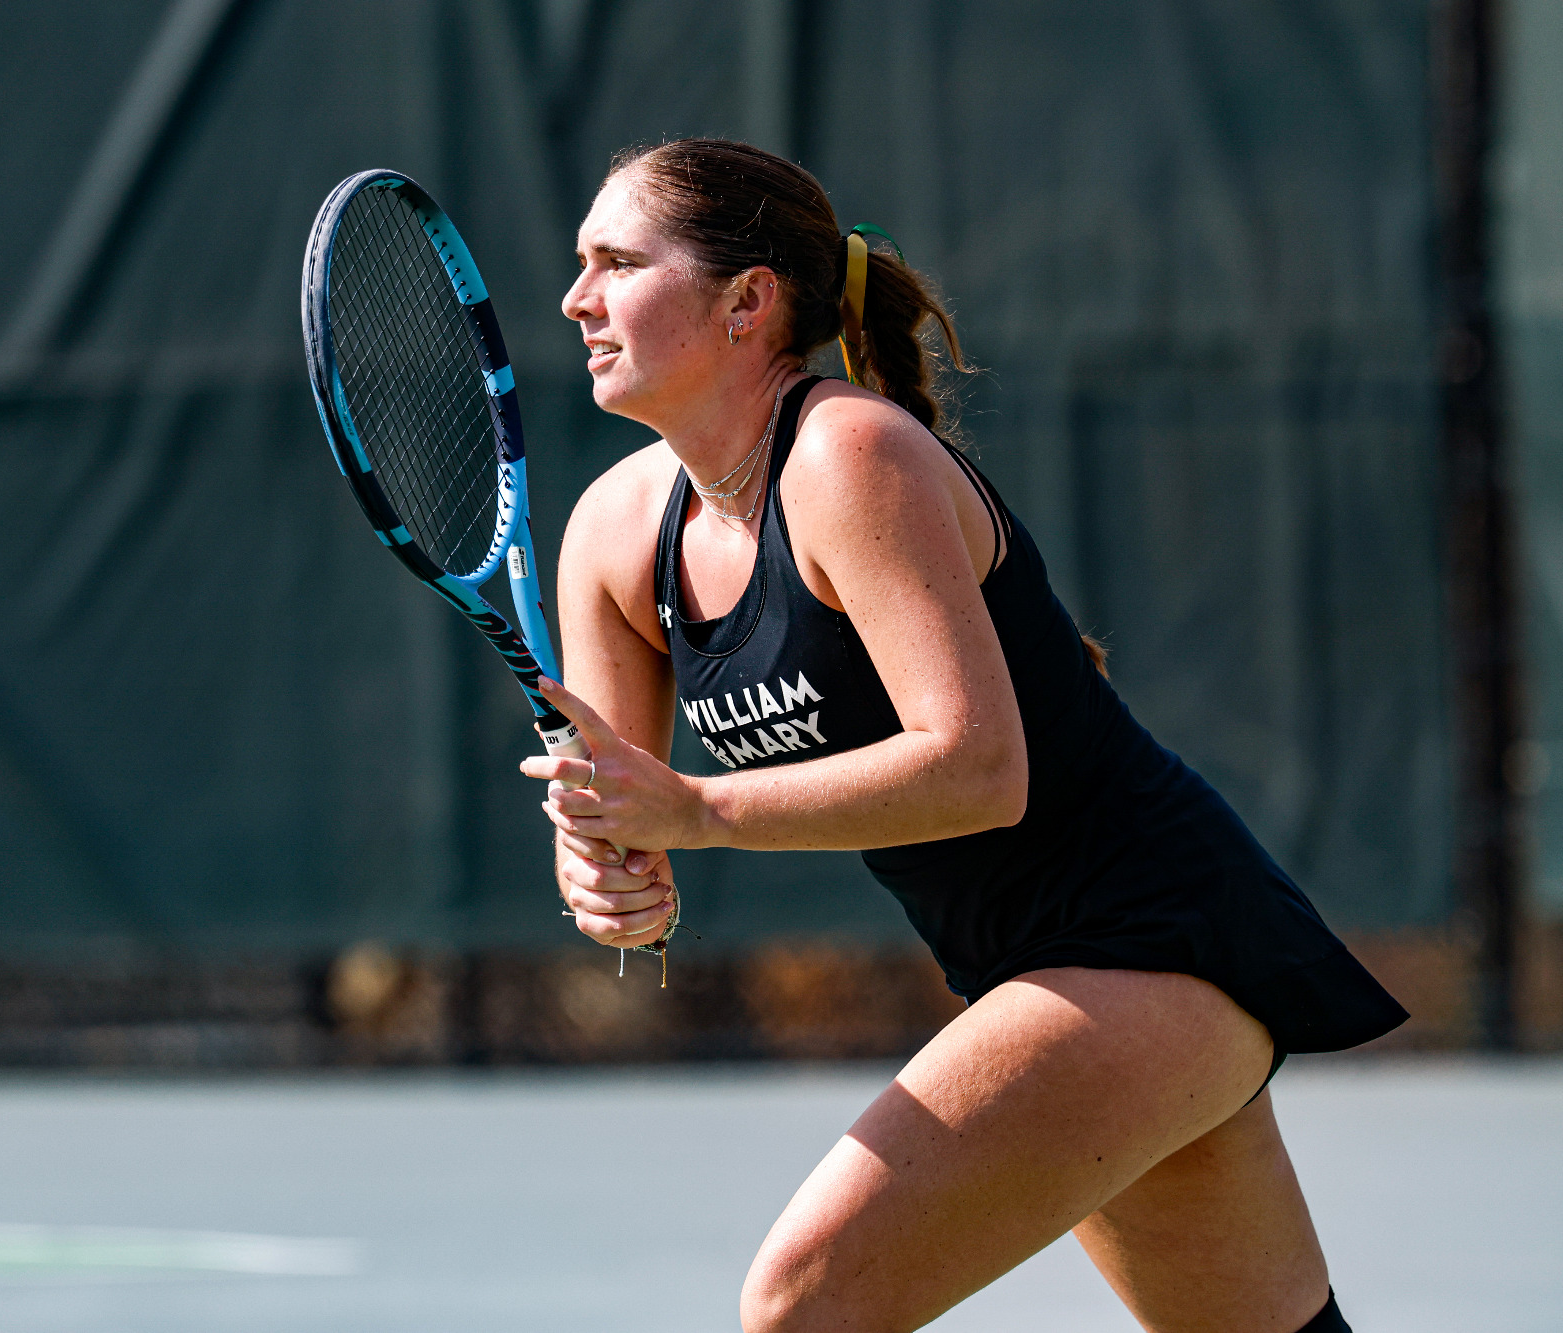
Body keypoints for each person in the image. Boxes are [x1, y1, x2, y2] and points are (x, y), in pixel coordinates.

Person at [517, 139, 1407, 1333]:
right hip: (1026, 974)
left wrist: (695, 810)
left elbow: (978, 768)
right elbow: (633, 838)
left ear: (745, 301)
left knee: (801, 1302)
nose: (578, 297)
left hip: (1152, 943)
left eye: (618, 262)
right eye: (579, 264)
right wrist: (613, 874)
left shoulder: (847, 457)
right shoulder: (612, 534)